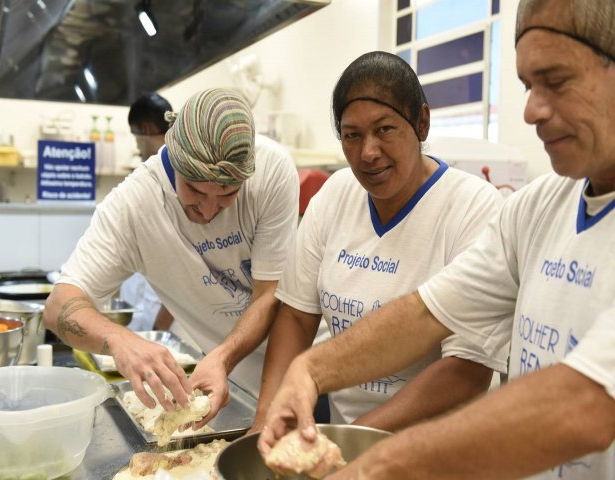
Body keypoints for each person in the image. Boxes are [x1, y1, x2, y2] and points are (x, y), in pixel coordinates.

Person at [258, 1, 615, 478]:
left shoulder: (475, 205)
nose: (531, 110)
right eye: (528, 85)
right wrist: (310, 372)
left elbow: (585, 405)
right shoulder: (540, 207)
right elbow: (429, 312)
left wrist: (375, 460)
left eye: (557, 81)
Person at [251, 51, 507, 434]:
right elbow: (296, 317)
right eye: (352, 135)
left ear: (421, 122)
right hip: (342, 443)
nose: (368, 153)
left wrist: (352, 443)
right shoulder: (336, 194)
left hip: (433, 453)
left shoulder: (473, 207)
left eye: (384, 129)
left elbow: (467, 371)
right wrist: (264, 422)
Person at [43, 88, 299, 423]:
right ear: (173, 158)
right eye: (194, 190)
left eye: (227, 195)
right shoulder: (133, 206)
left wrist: (222, 358)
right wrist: (120, 341)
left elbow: (269, 296)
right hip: (228, 385)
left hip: (293, 365)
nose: (208, 210)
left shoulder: (272, 170)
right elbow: (58, 306)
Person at [121, 92, 174, 331]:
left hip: (163, 325)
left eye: (135, 139)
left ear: (144, 128)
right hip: (138, 318)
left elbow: (186, 279)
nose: (138, 148)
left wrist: (157, 335)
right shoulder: (145, 178)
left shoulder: (181, 181)